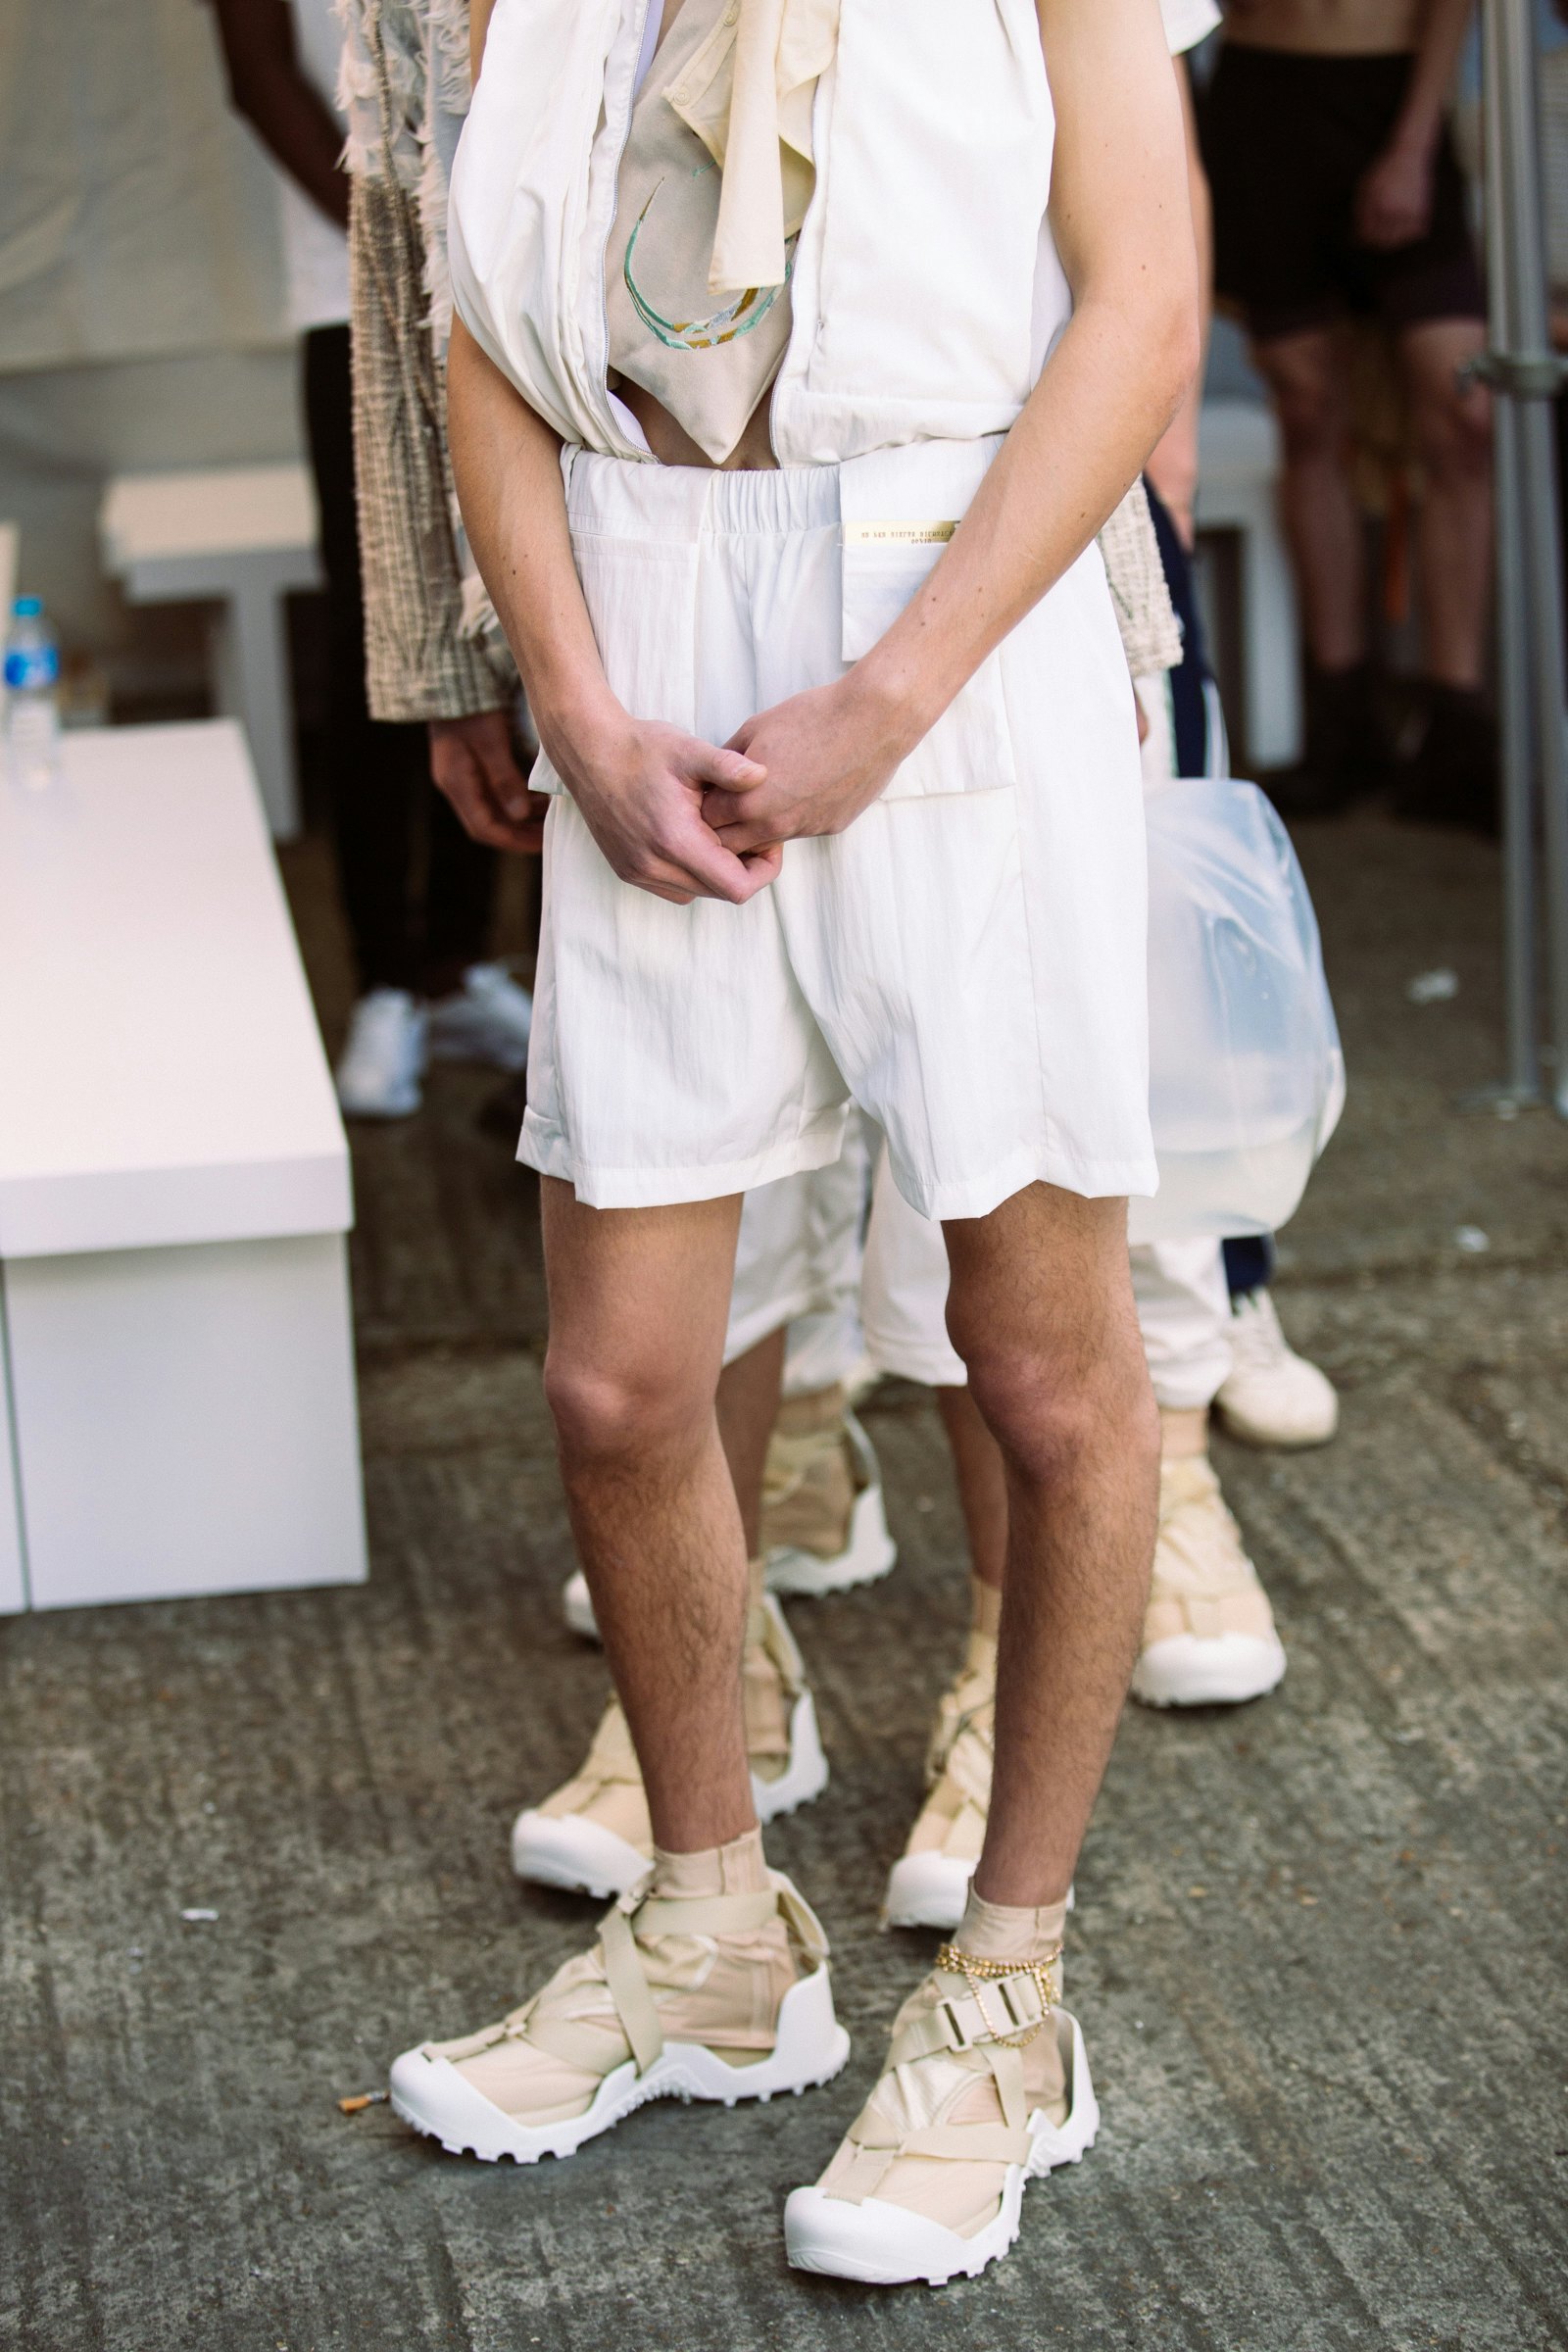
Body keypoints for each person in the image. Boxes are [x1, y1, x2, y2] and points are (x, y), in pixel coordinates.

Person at [385, 0, 1199, 2289]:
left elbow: (1138, 302)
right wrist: (561, 683)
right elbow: (479, 318)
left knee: (1043, 1370)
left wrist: (892, 688)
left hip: (947, 607)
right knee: (622, 1375)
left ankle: (1009, 2000)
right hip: (640, 627)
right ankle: (712, 1934)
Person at [211, 0, 536, 1119]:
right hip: (352, 296)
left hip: (505, 288)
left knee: (507, 615)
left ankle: (459, 963)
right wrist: (397, 241)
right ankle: (386, 980)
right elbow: (257, 75)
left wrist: (480, 244)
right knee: (377, 631)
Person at [1202, 0, 1494, 826]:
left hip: (1390, 85)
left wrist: (1412, 139)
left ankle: (1458, 726)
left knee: (1463, 413)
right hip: (1264, 91)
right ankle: (1344, 718)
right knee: (1305, 410)